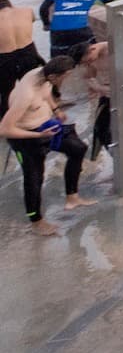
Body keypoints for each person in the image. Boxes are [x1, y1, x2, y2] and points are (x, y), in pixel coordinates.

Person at [1, 55, 88, 236]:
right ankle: (36, 222)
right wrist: (38, 135)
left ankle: (72, 197)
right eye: (65, 76)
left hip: (47, 127)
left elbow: (47, 91)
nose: (67, 79)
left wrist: (55, 110)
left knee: (78, 148)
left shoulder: (42, 75)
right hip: (26, 137)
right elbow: (5, 129)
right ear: (54, 76)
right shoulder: (27, 95)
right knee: (34, 178)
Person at [41, 0, 111, 61]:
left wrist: (46, 24)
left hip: (58, 31)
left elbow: (43, 8)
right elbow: (113, 6)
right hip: (80, 30)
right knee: (94, 55)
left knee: (58, 62)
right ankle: (90, 74)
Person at [0, 0, 42, 123]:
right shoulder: (27, 11)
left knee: (6, 91)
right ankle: (37, 114)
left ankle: (7, 121)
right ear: (11, 6)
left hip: (4, 57)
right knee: (34, 86)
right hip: (28, 52)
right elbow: (33, 20)